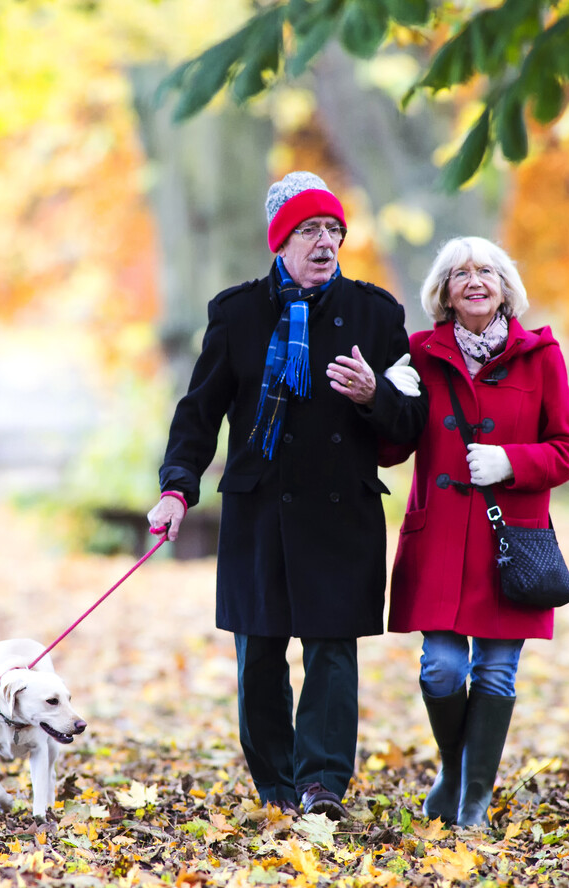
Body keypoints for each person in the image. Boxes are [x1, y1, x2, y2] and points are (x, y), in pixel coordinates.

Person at [147, 171, 425, 820]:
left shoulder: (377, 315)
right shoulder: (237, 313)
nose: (325, 242)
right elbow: (197, 415)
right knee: (259, 655)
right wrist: (176, 489)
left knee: (331, 652)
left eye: (334, 230)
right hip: (259, 509)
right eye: (309, 230)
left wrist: (372, 396)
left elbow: (410, 424)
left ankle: (323, 784)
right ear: (281, 240)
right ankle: (275, 784)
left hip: (341, 509)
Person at [381, 236, 569, 828]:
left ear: (505, 286)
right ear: (443, 292)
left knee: (496, 672)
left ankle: (471, 800)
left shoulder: (540, 356)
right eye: (460, 272)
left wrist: (511, 463)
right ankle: (455, 767)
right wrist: (390, 399)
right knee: (440, 668)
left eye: (488, 270)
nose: (475, 280)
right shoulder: (419, 353)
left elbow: (568, 449)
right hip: (441, 540)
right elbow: (391, 451)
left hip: (508, 543)